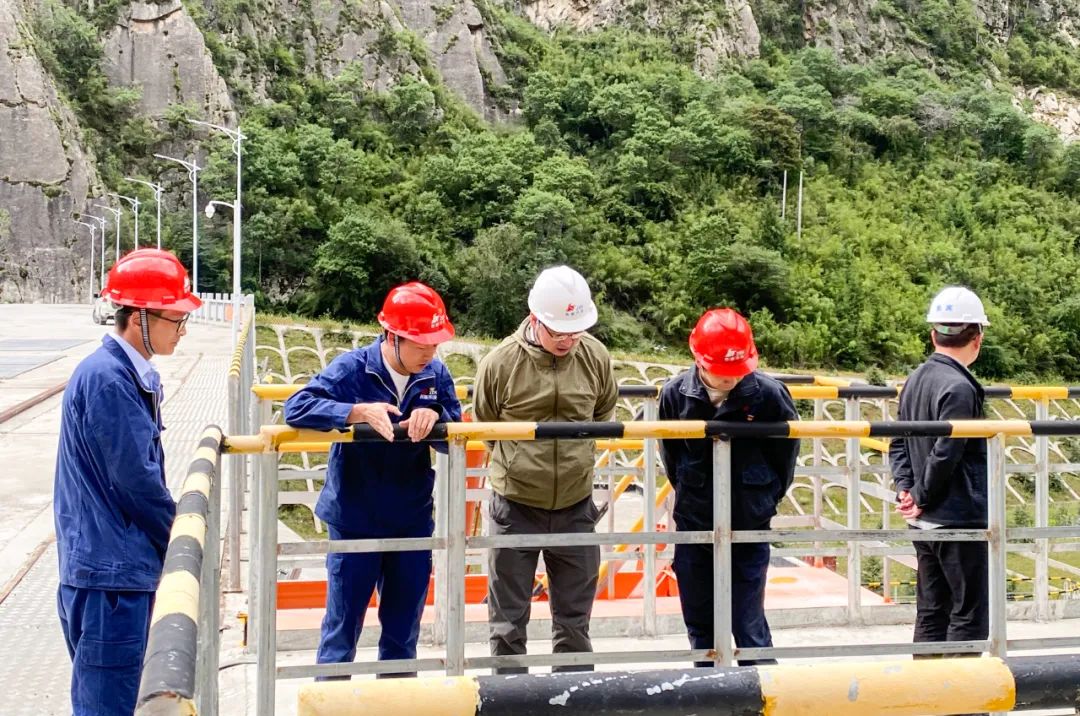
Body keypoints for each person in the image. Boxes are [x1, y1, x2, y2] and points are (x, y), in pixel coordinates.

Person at [284, 282, 461, 678]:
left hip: (411, 518)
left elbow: (456, 434)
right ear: (392, 336)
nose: (430, 353)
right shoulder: (353, 369)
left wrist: (436, 419)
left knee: (403, 633)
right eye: (422, 344)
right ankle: (330, 700)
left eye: (435, 344)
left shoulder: (435, 374)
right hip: (354, 517)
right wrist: (355, 412)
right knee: (341, 630)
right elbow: (296, 407)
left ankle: (395, 698)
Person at [54, 248, 201, 715]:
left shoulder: (123, 373)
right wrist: (181, 540)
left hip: (110, 569)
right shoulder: (109, 381)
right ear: (139, 318)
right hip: (111, 583)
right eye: (175, 319)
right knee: (108, 707)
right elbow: (137, 482)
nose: (182, 330)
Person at [473, 265, 618, 674]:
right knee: (507, 619)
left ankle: (573, 694)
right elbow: (485, 424)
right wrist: (519, 465)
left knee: (575, 619)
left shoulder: (595, 357)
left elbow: (603, 411)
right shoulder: (501, 363)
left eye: (576, 332)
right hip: (515, 504)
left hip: (576, 503)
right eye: (559, 332)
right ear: (535, 318)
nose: (567, 340)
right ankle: (510, 696)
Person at [658, 308, 799, 666]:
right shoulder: (676, 394)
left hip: (749, 522)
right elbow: (671, 457)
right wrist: (691, 491)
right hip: (695, 522)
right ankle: (709, 690)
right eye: (723, 371)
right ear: (699, 359)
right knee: (700, 623)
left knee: (748, 623)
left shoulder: (769, 394)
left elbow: (785, 458)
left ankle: (763, 690)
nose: (731, 378)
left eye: (737, 371)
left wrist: (763, 499)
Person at [890, 286, 991, 652]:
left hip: (923, 520)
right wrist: (919, 495)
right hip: (956, 517)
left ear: (934, 335)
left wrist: (906, 490)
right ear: (977, 339)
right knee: (969, 613)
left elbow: (898, 441)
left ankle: (928, 685)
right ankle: (959, 688)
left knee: (932, 610)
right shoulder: (960, 387)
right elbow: (946, 453)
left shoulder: (916, 379)